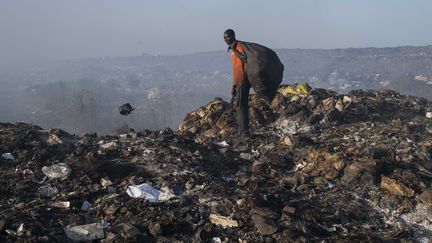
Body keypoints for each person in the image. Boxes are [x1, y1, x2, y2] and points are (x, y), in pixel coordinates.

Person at [224, 29, 251, 139]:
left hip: (244, 80)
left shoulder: (238, 46)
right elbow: (236, 68)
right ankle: (242, 131)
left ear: (233, 36)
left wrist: (234, 50)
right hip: (238, 81)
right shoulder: (233, 48)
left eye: (227, 37)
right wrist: (234, 86)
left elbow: (245, 58)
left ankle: (244, 132)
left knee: (241, 106)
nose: (226, 40)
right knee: (240, 106)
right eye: (224, 38)